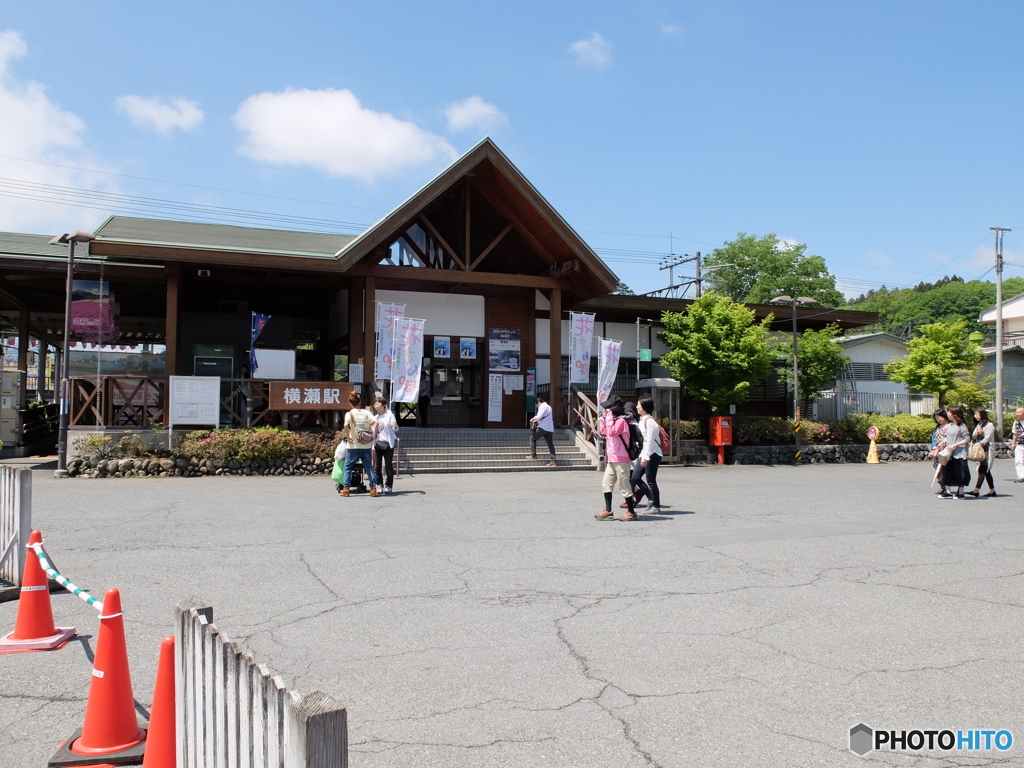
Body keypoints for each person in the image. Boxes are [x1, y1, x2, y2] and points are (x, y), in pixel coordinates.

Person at [596, 397, 636, 521]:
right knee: (606, 484)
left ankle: (631, 511)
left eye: (608, 409)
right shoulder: (612, 420)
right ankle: (608, 510)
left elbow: (612, 432)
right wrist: (603, 418)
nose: (606, 411)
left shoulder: (621, 422)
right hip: (612, 458)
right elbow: (604, 431)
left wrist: (608, 418)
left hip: (622, 459)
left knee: (624, 485)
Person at [341, 390, 378, 497]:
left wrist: (348, 437)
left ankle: (346, 489)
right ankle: (373, 489)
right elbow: (377, 422)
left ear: (350, 402)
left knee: (348, 467)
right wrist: (373, 436)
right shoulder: (367, 413)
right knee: (369, 467)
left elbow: (345, 424)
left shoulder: (350, 413)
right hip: (366, 445)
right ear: (360, 402)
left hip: (353, 446)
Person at [633, 396, 663, 514]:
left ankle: (655, 506)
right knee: (634, 478)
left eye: (638, 405)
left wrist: (645, 457)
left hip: (652, 453)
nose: (637, 407)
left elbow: (650, 441)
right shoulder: (642, 420)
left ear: (644, 406)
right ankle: (651, 498)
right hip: (644, 453)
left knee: (651, 480)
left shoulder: (650, 421)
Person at [938, 405, 970, 499]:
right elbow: (949, 437)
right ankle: (947, 491)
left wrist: (955, 445)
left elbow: (967, 439)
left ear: (955, 414)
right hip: (950, 453)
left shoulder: (962, 426)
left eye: (949, 413)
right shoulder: (951, 425)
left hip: (960, 453)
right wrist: (944, 441)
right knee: (947, 471)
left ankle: (960, 492)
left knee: (960, 473)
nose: (947, 414)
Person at [371, 394, 398, 494]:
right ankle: (379, 485)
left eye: (377, 404)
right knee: (377, 466)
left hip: (388, 444)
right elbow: (373, 431)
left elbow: (395, 427)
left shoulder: (389, 415)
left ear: (383, 405)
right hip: (377, 444)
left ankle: (389, 485)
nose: (376, 406)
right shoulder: (375, 417)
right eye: (375, 404)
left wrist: (395, 425)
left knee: (388, 466)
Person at [967, 408, 996, 498]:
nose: (976, 416)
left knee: (983, 469)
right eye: (975, 414)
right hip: (980, 450)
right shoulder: (979, 424)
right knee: (986, 471)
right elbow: (973, 436)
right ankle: (992, 490)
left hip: (986, 450)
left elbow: (987, 439)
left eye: (977, 414)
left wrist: (978, 443)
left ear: (982, 414)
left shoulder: (989, 425)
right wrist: (977, 433)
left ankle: (976, 490)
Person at [526, 395, 557, 467]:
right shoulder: (549, 407)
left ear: (538, 402)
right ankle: (553, 461)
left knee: (532, 438)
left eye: (536, 405)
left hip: (543, 427)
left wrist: (533, 419)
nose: (537, 406)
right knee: (550, 444)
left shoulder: (542, 406)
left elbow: (539, 416)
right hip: (549, 428)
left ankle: (533, 455)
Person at [1012, 407, 1024, 483]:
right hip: (1020, 444)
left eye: (1019, 412)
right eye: (1016, 412)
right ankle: (1021, 476)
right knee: (1018, 461)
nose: (1017, 414)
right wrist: (1013, 443)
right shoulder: (1016, 422)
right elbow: (1015, 433)